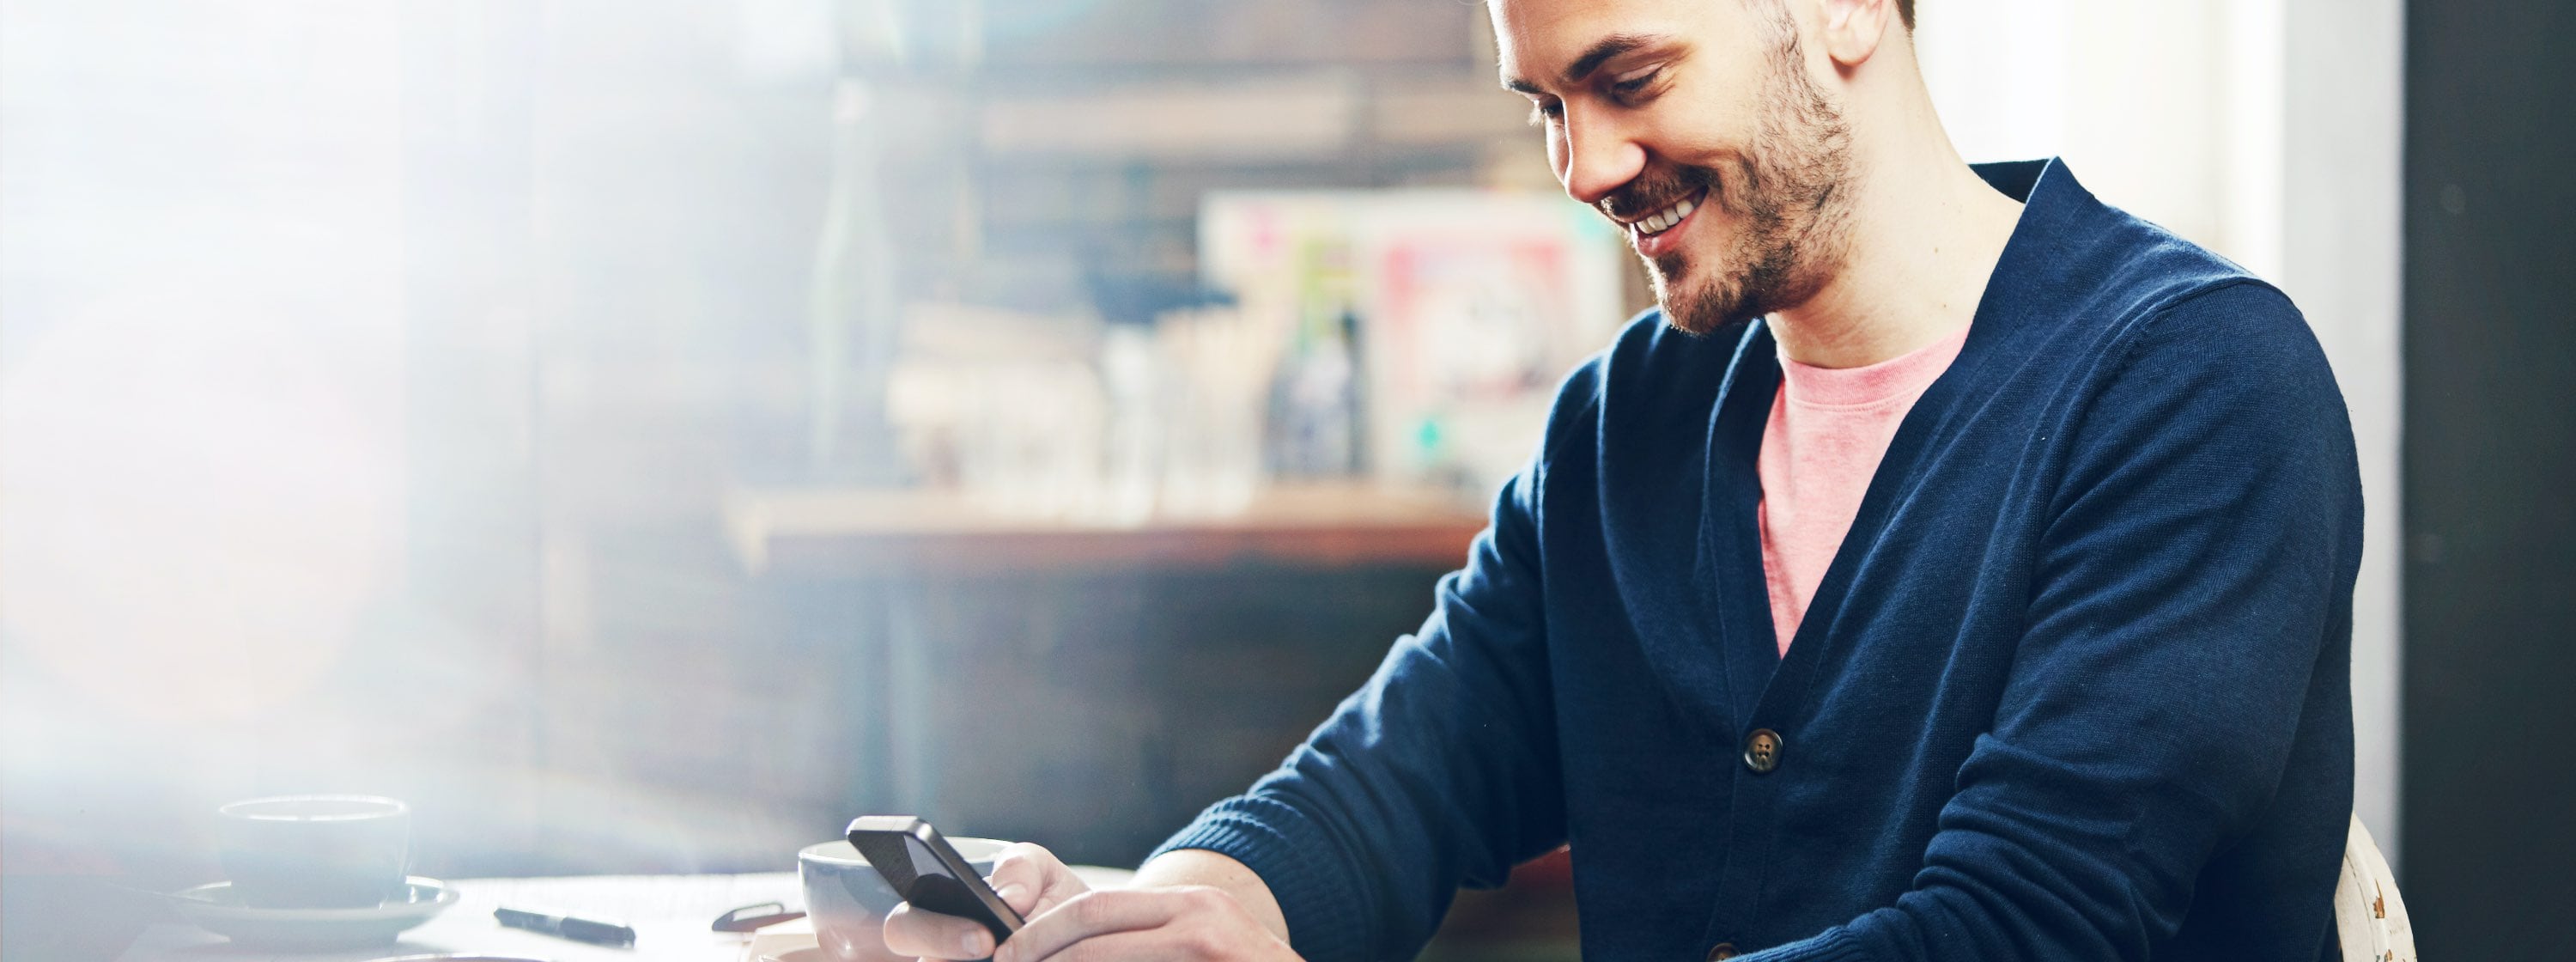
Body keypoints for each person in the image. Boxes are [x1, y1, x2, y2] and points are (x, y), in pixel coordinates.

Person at [885, 0, 2362, 958]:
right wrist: (1184, 910)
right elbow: (1407, 770)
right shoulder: (1628, 422)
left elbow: (2024, 926)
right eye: (1543, 104)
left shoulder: (2197, 386)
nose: (1583, 167)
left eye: (1626, 76)